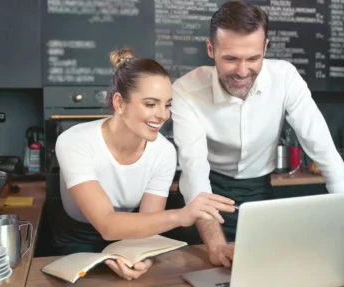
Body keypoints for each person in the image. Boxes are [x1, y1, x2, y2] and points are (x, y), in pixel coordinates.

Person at [171, 1, 344, 268]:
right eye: (231, 58)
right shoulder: (185, 90)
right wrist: (215, 244)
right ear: (211, 49)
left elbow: (322, 148)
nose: (243, 72)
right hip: (209, 192)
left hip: (259, 191)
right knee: (207, 269)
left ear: (265, 48)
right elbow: (194, 170)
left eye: (253, 58)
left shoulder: (286, 78)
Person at [53, 48, 236, 280]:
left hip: (131, 234)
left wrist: (140, 257)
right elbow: (107, 225)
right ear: (119, 103)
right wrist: (182, 215)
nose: (162, 115)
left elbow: (149, 225)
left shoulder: (164, 153)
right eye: (151, 104)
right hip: (75, 241)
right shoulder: (74, 141)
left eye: (167, 105)